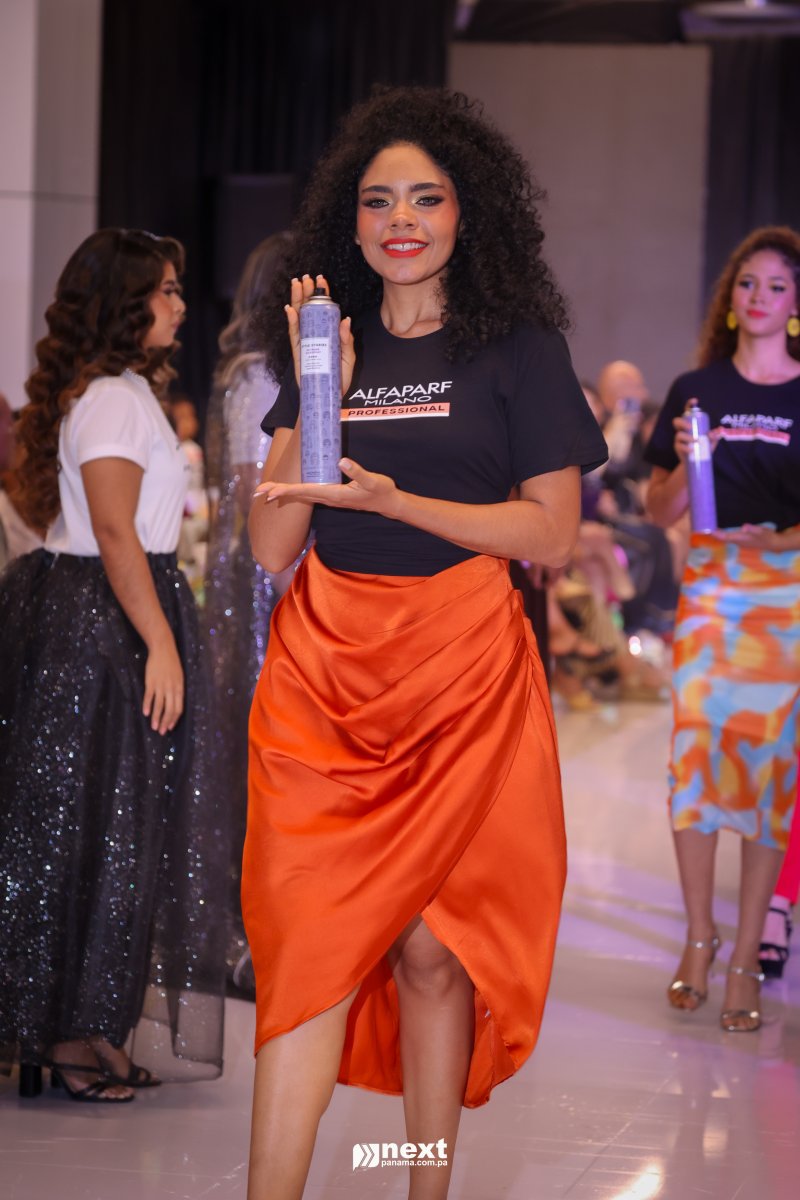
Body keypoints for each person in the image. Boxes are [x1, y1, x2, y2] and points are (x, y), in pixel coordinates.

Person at [243, 86, 607, 1200]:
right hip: (323, 675)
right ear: (348, 224)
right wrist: (321, 392)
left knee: (433, 954)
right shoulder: (328, 346)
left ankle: (421, 1183)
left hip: (462, 673)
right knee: (307, 947)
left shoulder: (519, 349)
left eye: (426, 198)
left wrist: (401, 503)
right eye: (377, 201)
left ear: (465, 212)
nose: (400, 219)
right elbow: (270, 544)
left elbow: (551, 532)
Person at [0, 229, 227, 1103]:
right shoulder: (110, 401)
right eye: (165, 290)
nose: (178, 304)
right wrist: (160, 641)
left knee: (115, 827)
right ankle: (63, 1033)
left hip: (116, 610)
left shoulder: (125, 393)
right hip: (103, 620)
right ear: (126, 305)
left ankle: (90, 1025)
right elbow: (112, 529)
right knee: (83, 825)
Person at [645, 225, 800, 1032]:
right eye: (748, 283)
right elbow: (658, 509)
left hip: (783, 599)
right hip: (709, 588)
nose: (759, 296)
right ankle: (698, 937)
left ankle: (746, 957)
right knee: (697, 763)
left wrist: (781, 540)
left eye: (776, 285)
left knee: (767, 773)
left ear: (795, 304)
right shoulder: (694, 389)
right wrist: (681, 461)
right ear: (730, 298)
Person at [204, 231, 295, 997]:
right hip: (266, 580)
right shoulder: (257, 377)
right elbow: (249, 490)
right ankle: (246, 935)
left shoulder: (288, 373)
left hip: (283, 573)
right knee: (260, 749)